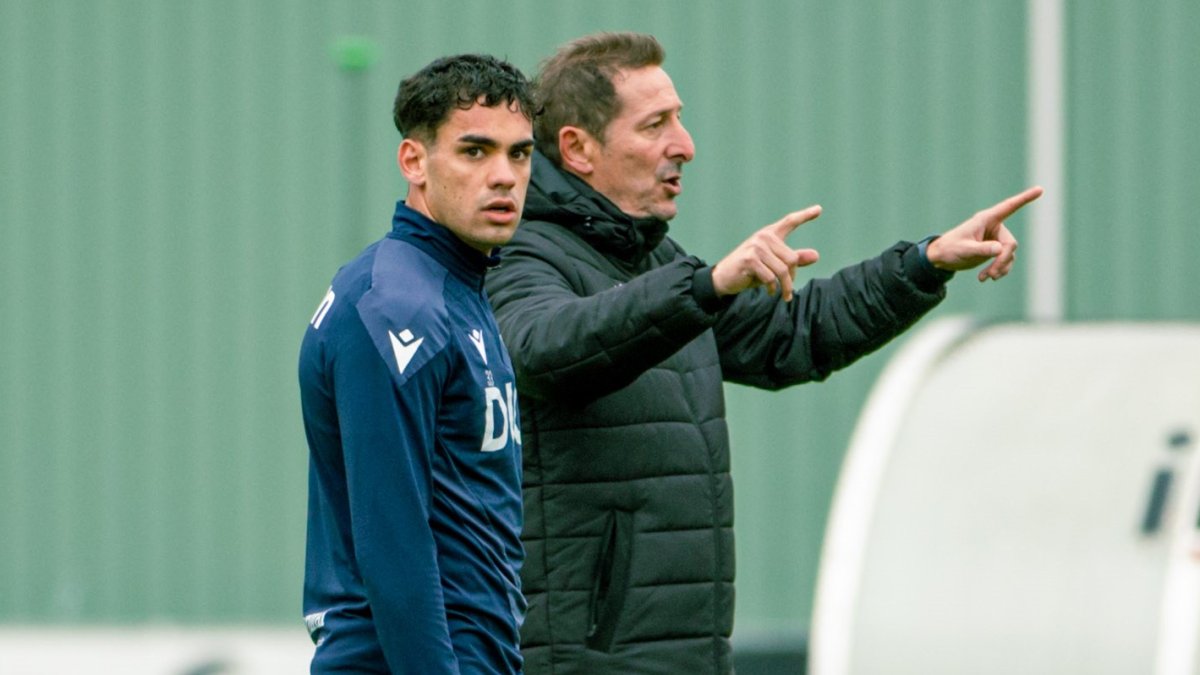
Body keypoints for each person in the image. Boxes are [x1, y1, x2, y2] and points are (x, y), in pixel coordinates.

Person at [484, 32, 1043, 673]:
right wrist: (707, 284)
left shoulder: (648, 259)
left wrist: (925, 261)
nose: (684, 146)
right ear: (579, 149)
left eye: (680, 119)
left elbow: (795, 334)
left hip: (681, 653)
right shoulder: (522, 249)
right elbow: (541, 351)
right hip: (585, 658)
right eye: (656, 124)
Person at [298, 54, 535, 674]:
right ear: (414, 162)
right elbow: (394, 549)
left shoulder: (457, 288)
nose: (504, 176)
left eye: (518, 154)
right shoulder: (396, 304)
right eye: (475, 151)